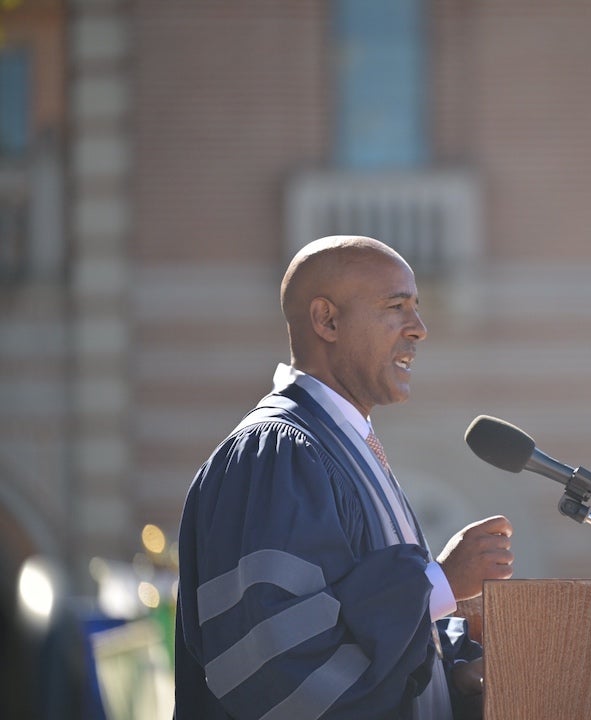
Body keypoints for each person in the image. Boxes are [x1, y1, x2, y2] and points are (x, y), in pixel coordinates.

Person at [174, 236, 514, 719]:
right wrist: (439, 581)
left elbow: (362, 635)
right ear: (327, 320)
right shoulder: (278, 454)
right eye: (396, 307)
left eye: (416, 308)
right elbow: (282, 666)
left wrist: (455, 674)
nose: (419, 329)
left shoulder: (345, 446)